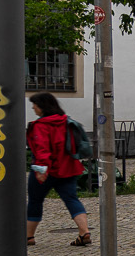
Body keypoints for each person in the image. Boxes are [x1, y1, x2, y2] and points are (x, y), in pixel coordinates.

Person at [25, 92, 92, 247]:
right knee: (71, 199)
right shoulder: (65, 121)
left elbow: (42, 148)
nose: (33, 107)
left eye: (34, 104)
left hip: (47, 169)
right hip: (68, 167)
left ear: (42, 107)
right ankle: (84, 231)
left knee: (35, 200)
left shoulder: (40, 125)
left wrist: (41, 169)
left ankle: (29, 236)